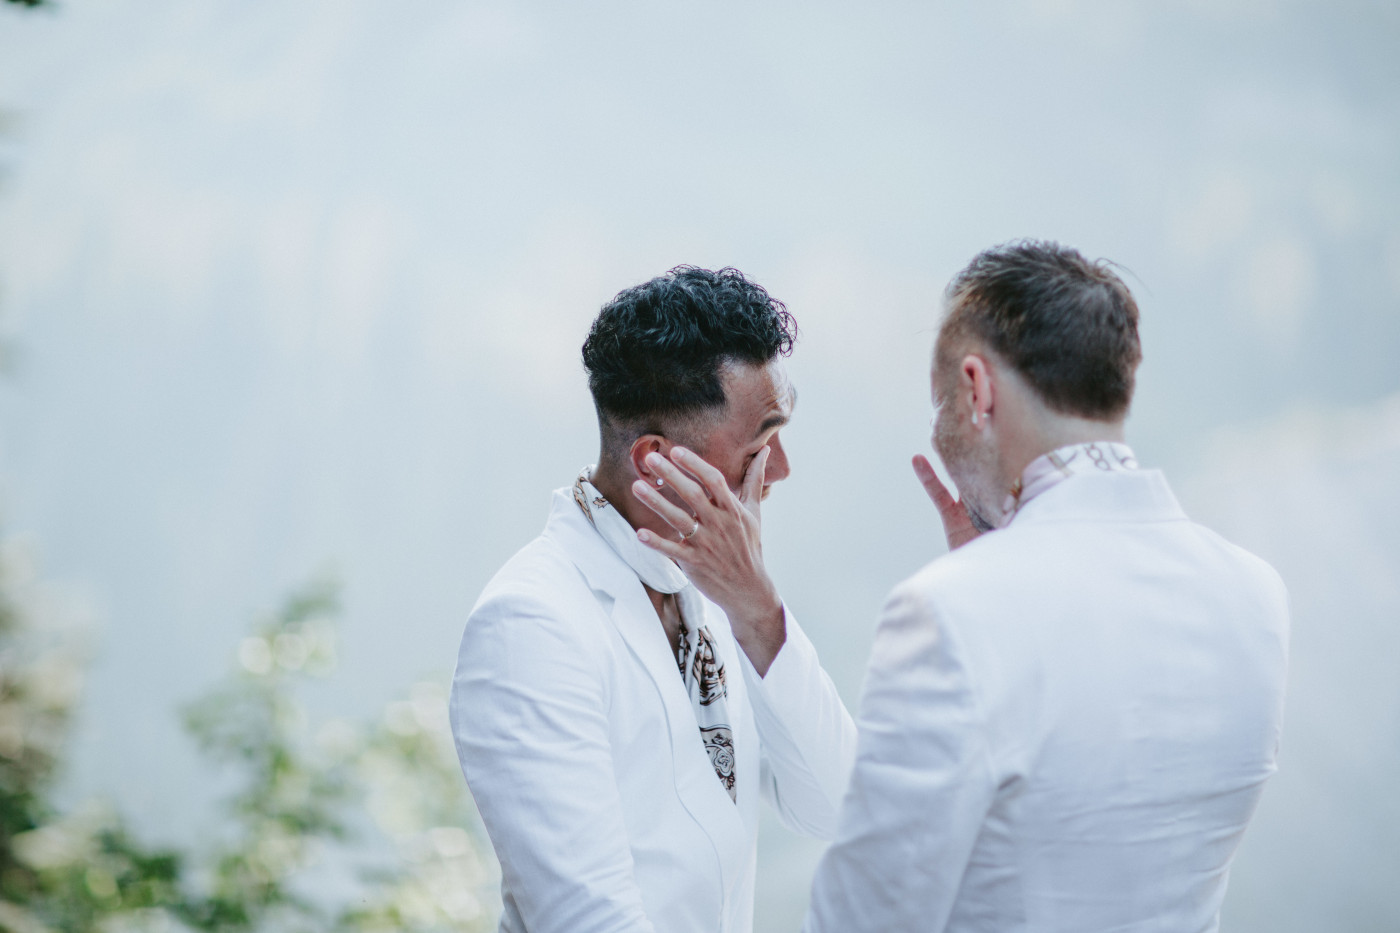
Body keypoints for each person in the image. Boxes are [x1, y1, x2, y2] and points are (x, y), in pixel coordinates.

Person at [639, 240, 1289, 932]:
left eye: (939, 407)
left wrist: (984, 586)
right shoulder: (1256, 593)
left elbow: (862, 915)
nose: (940, 436)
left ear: (976, 390)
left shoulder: (952, 611)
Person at [449, 266, 858, 933]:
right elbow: (587, 919)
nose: (779, 470)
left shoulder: (721, 590)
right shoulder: (530, 623)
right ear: (655, 461)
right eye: (759, 445)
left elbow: (840, 804)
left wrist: (759, 613)